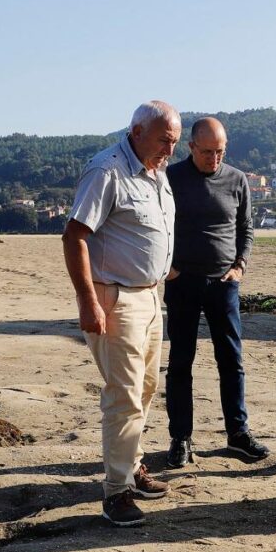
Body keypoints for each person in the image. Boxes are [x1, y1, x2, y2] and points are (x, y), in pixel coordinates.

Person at [62, 100, 181, 527]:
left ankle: (131, 467)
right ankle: (116, 491)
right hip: (116, 299)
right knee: (124, 395)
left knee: (146, 389)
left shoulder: (156, 171)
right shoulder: (106, 170)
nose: (170, 149)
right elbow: (74, 236)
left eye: (174, 142)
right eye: (165, 139)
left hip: (151, 298)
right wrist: (87, 300)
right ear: (137, 130)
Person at [163, 117, 269, 467]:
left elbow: (246, 228)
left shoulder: (237, 180)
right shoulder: (171, 178)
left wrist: (240, 266)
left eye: (220, 152)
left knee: (232, 362)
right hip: (182, 282)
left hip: (224, 283)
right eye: (207, 152)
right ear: (190, 147)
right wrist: (170, 268)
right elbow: (157, 226)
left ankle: (238, 435)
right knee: (181, 362)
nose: (214, 159)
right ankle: (181, 438)